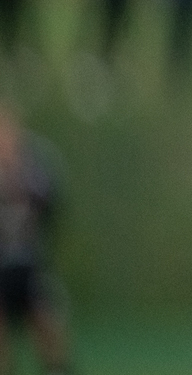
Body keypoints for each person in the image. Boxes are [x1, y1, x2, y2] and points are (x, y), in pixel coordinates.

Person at [0, 104, 72, 374]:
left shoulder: (34, 164)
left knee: (46, 317)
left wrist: (17, 178)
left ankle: (57, 367)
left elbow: (51, 201)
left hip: (29, 262)